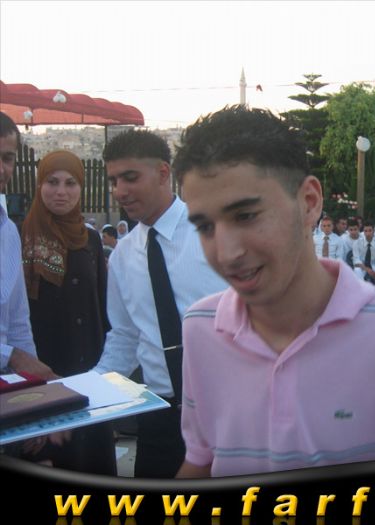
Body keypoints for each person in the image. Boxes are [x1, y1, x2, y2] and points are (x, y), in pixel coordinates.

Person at [171, 105, 375, 477]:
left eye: (246, 216)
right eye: (205, 227)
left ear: (309, 202)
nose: (226, 253)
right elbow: (202, 459)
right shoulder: (201, 327)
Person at [92, 129, 227, 478]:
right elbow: (125, 336)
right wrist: (87, 391)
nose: (120, 190)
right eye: (113, 180)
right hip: (159, 417)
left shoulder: (214, 233)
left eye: (130, 177)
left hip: (226, 410)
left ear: (163, 173)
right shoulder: (123, 256)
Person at [20, 150, 116, 475]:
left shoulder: (91, 240)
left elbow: (103, 308)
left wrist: (106, 376)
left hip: (89, 373)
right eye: (52, 182)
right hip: (41, 374)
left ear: (81, 188)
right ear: (39, 185)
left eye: (71, 183)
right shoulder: (19, 238)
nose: (61, 191)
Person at [0, 111, 55, 381]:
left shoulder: (8, 232)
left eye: (7, 158)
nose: (1, 170)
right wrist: (10, 356)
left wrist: (37, 387)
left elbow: (18, 323)